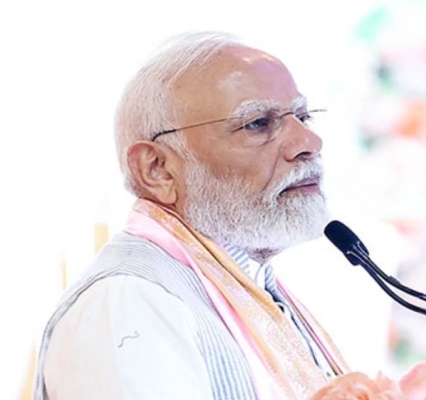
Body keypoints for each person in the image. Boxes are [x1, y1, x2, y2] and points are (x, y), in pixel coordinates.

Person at [33, 31, 349, 400]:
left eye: (303, 117)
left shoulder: (255, 285)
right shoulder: (130, 302)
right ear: (157, 169)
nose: (309, 143)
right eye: (258, 124)